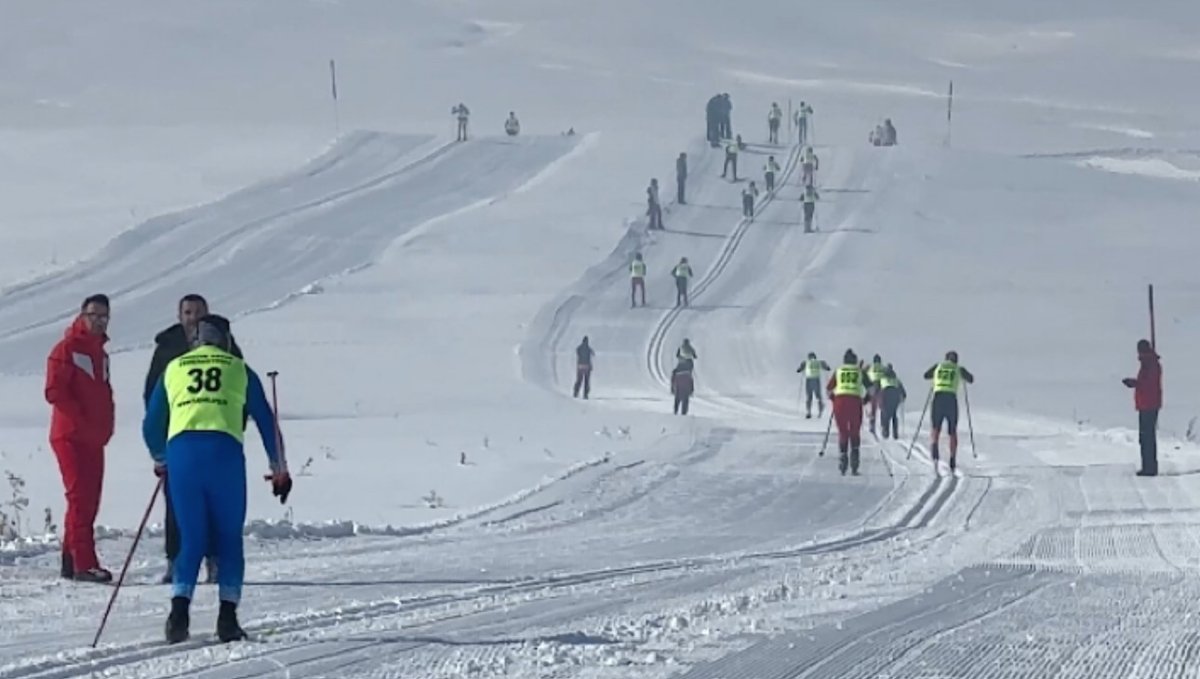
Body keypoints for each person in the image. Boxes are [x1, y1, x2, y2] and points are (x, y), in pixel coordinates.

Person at [143, 314, 291, 644]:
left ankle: (178, 614)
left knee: (192, 536)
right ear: (224, 339)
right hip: (224, 453)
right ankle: (227, 617)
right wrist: (279, 469)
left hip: (183, 453)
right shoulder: (239, 368)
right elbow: (267, 423)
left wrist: (161, 459)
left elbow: (152, 424)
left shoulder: (174, 368)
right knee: (228, 537)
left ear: (196, 339)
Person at [144, 294, 243, 584]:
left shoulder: (225, 343)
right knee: (176, 504)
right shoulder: (167, 348)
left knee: (214, 503)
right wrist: (159, 440)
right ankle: (176, 560)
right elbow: (152, 392)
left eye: (198, 312)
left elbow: (240, 389)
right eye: (188, 312)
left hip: (219, 434)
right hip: (178, 436)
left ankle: (214, 559)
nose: (193, 317)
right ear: (179, 315)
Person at [45, 294, 115, 582]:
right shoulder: (66, 349)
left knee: (88, 499)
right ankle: (84, 563)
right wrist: (83, 420)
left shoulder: (100, 353)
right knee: (81, 499)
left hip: (93, 439)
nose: (98, 321)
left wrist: (105, 425)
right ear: (82, 315)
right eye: (93, 315)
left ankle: (70, 557)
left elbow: (103, 393)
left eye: (103, 316)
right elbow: (54, 391)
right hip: (71, 436)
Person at [922, 351, 975, 472]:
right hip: (951, 399)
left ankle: (934, 446)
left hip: (938, 397)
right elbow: (971, 379)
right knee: (952, 430)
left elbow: (926, 375)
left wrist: (936, 378)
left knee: (936, 427)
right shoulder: (958, 368)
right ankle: (952, 457)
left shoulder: (938, 366)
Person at [827, 349, 870, 475]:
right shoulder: (860, 372)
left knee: (843, 431)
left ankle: (843, 460)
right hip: (855, 402)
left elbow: (829, 390)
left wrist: (833, 399)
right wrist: (865, 400)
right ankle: (855, 463)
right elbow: (872, 389)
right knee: (854, 431)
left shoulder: (838, 371)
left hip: (840, 402)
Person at [1123, 339, 1162, 476]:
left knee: (1147, 437)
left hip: (1148, 404)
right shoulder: (1149, 363)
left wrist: (1135, 383)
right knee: (1146, 437)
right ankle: (1148, 465)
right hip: (1148, 403)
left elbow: (1148, 384)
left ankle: (1149, 467)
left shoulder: (1149, 364)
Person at [796, 352, 831, 418]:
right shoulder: (819, 362)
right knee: (818, 396)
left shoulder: (806, 362)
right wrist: (827, 368)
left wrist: (799, 370)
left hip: (809, 380)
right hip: (816, 380)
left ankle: (808, 411)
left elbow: (800, 369)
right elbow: (826, 367)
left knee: (809, 397)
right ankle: (820, 408)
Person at [878, 364, 907, 439]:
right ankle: (895, 433)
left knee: (885, 413)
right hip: (895, 395)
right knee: (894, 414)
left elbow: (878, 389)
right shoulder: (896, 379)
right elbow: (903, 391)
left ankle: (885, 431)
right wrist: (903, 397)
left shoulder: (882, 378)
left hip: (885, 394)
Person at [866, 354, 885, 435]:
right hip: (881, 387)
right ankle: (884, 426)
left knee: (873, 408)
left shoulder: (871, 367)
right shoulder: (883, 368)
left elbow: (866, 376)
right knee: (882, 407)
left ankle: (872, 425)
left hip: (873, 387)